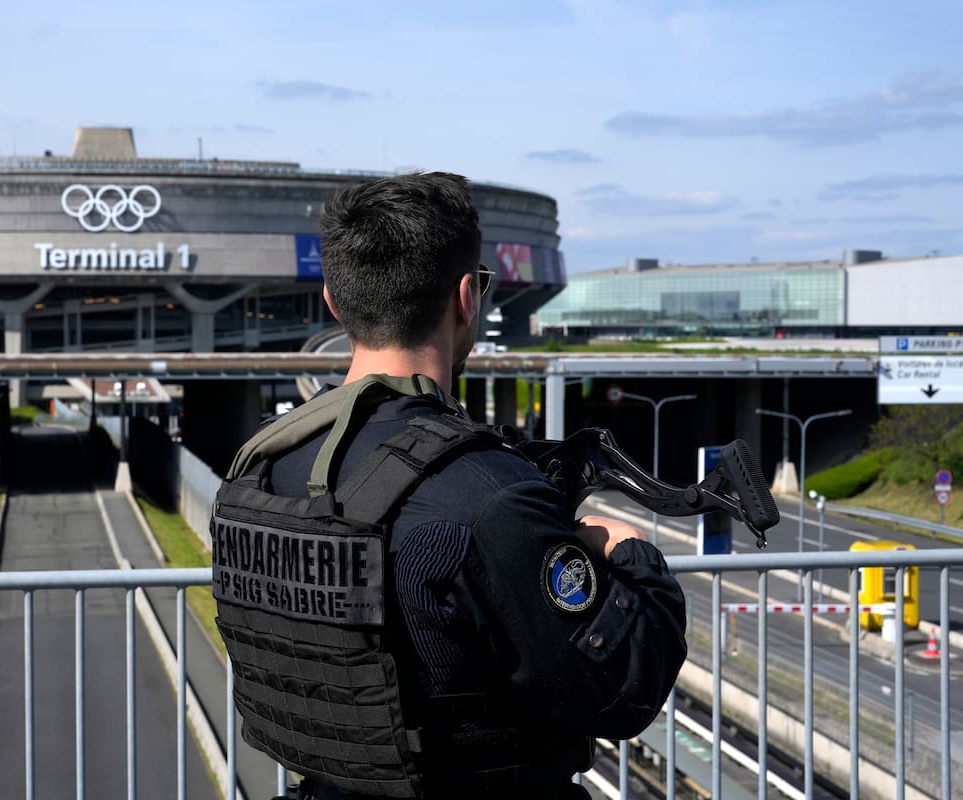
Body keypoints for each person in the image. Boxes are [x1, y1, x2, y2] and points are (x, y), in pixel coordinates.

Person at [211, 172, 687, 800]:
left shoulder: (263, 468)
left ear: (334, 301)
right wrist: (628, 552)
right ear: (467, 298)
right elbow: (625, 688)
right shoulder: (490, 495)